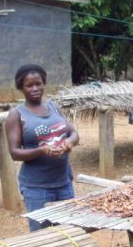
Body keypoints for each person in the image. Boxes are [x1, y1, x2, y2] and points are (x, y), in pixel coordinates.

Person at [5, 64, 79, 231]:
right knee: (42, 235)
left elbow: (74, 133)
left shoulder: (54, 107)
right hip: (36, 187)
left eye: (38, 83)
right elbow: (14, 153)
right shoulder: (16, 114)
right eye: (29, 85)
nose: (35, 88)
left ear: (44, 83)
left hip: (64, 183)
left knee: (68, 231)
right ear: (21, 88)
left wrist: (69, 143)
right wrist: (41, 150)